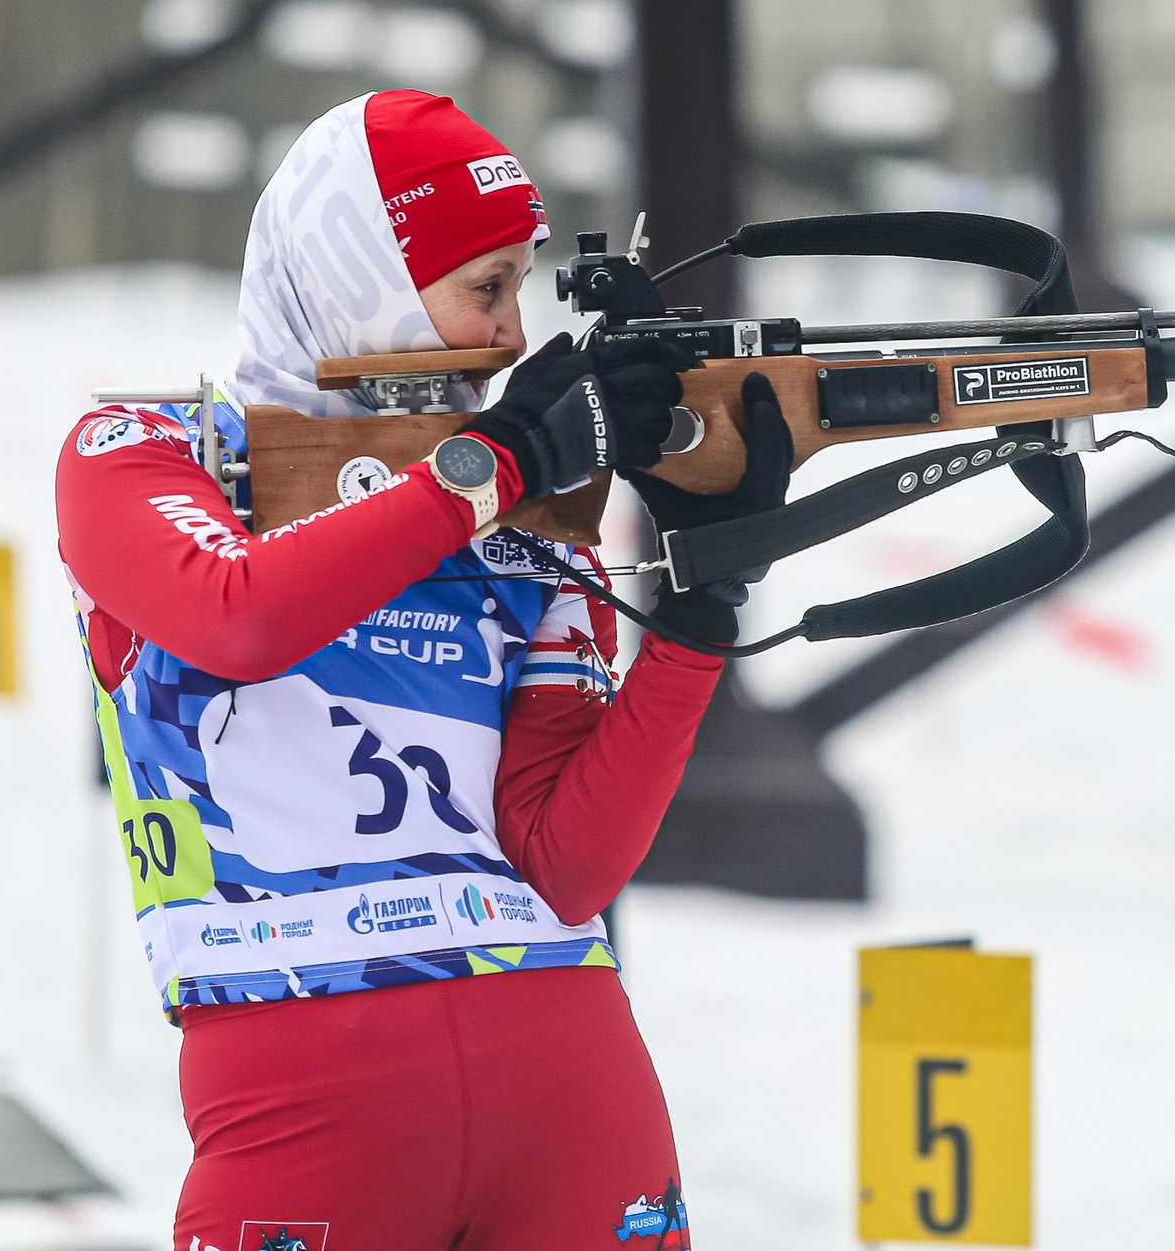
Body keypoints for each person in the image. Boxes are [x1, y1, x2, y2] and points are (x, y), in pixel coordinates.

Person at [55, 88, 786, 1251]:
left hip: (570, 1084)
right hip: (298, 1105)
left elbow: (566, 864)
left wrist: (699, 619)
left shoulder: (534, 515)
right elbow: (236, 616)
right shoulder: (145, 451)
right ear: (366, 275)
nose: (511, 335)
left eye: (522, 289)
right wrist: (495, 463)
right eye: (485, 288)